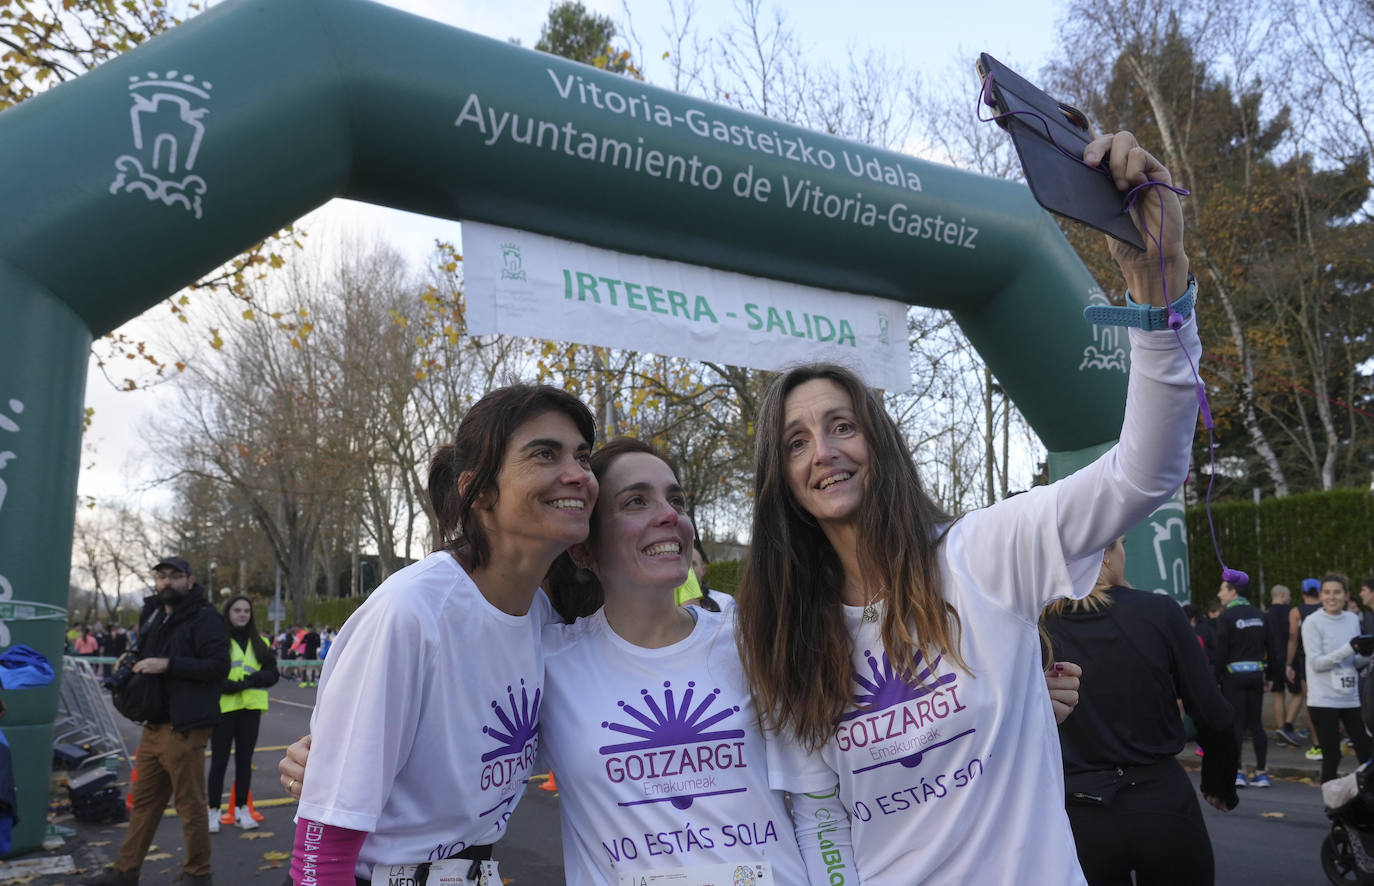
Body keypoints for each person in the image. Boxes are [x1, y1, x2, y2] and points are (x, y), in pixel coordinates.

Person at [735, 130, 1204, 884]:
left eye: (841, 425)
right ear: (780, 478)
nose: (823, 451)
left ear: (877, 445)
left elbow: (1142, 475)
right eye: (796, 442)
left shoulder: (981, 553)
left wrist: (1161, 284)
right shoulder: (793, 635)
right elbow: (822, 813)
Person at [284, 385, 597, 886]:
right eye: (545, 453)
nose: (578, 474)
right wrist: (332, 766)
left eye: (583, 457)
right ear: (480, 492)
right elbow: (322, 852)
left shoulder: (546, 617)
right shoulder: (410, 612)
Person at [541, 438, 854, 884]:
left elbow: (817, 808)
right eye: (635, 501)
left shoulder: (751, 642)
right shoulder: (549, 664)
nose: (669, 514)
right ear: (583, 550)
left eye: (676, 500)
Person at [1043, 538, 1236, 885]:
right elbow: (1213, 713)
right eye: (1120, 544)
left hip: (1074, 814)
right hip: (1162, 803)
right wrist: (1220, 783)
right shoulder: (1158, 611)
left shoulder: (1031, 625)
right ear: (1103, 555)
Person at [87, 557, 230, 886]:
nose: (167, 582)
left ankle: (198, 874)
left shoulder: (204, 617)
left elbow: (218, 666)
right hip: (153, 725)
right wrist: (133, 659)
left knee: (190, 805)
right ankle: (126, 871)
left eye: (175, 576)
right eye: (161, 577)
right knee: (145, 803)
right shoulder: (152, 613)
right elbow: (148, 653)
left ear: (190, 581)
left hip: (185, 726)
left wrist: (167, 664)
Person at [206, 595, 279, 834]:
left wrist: (252, 680)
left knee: (244, 762)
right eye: (237, 610)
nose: (242, 614)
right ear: (227, 612)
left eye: (246, 611)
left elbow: (272, 674)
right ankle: (213, 811)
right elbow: (212, 673)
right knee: (219, 761)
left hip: (250, 708)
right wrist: (232, 685)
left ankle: (241, 810)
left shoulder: (260, 643)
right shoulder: (218, 641)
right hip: (225, 708)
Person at [1302, 572, 1374, 783]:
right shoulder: (1312, 622)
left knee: (1366, 753)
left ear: (1346, 596)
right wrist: (1349, 648)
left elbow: (1353, 662)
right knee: (1332, 757)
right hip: (1323, 699)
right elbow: (1317, 663)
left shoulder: (1352, 619)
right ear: (1321, 596)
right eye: (1327, 592)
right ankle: (1331, 807)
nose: (1331, 597)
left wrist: (1366, 653)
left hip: (1350, 697)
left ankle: (1366, 803)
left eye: (1337, 592)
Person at [1213, 578, 1270, 787]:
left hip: (1233, 677)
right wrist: (1270, 675)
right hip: (1256, 675)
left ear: (1233, 591)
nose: (1219, 594)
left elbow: (1220, 651)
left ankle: (1237, 772)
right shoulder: (1260, 615)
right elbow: (1271, 646)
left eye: (1222, 590)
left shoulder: (1226, 617)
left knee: (1236, 724)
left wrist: (1216, 677)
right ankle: (1262, 772)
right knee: (1256, 724)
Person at [1286, 578, 1324, 759]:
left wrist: (1288, 664)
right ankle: (1332, 741)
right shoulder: (1328, 608)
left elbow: (1293, 638)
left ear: (1302, 593)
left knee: (1312, 704)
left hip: (1307, 661)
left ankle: (1318, 745)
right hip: (1329, 660)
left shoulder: (1297, 611)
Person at [1266, 585, 1303, 746]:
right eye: (1288, 595)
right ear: (1282, 595)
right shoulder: (1290, 613)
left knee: (1278, 693)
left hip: (1272, 659)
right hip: (1289, 658)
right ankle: (1287, 727)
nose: (1289, 598)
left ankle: (1281, 731)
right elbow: (1294, 636)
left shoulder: (1265, 614)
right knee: (1298, 693)